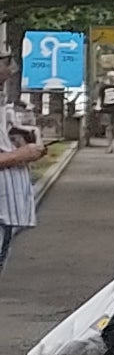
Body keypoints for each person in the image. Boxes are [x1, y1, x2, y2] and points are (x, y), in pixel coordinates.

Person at [0, 87, 43, 276]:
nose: (12, 68)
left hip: (7, 209)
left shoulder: (5, 106)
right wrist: (19, 155)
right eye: (6, 62)